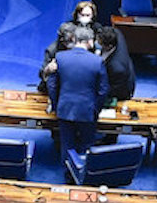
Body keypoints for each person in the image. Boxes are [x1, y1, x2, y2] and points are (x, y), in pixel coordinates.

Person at [46, 26, 109, 156]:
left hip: (65, 109)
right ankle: (83, 174)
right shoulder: (97, 61)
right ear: (90, 41)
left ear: (75, 39)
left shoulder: (60, 57)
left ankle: (68, 174)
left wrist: (57, 105)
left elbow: (51, 85)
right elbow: (103, 90)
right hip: (87, 111)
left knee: (67, 146)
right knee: (86, 147)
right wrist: (95, 109)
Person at [95, 24, 136, 101]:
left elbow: (113, 90)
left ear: (109, 46)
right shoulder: (116, 33)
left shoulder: (117, 68)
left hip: (121, 90)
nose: (96, 42)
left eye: (99, 42)